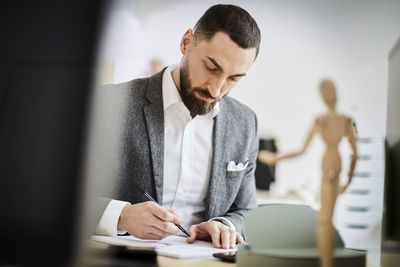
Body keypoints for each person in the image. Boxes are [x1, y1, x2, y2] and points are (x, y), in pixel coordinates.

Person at [95, 4, 261, 250]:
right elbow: (58, 193)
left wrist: (225, 224)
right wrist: (122, 215)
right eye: (211, 68)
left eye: (233, 78)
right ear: (186, 43)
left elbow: (246, 209)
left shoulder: (245, 123)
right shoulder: (111, 104)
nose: (216, 89)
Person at [258, 79, 358, 267]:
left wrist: (274, 159)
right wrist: (349, 181)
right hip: (336, 165)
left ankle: (326, 262)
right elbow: (355, 155)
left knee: (324, 221)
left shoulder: (324, 120)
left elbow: (301, 151)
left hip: (329, 166)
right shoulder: (345, 119)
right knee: (327, 218)